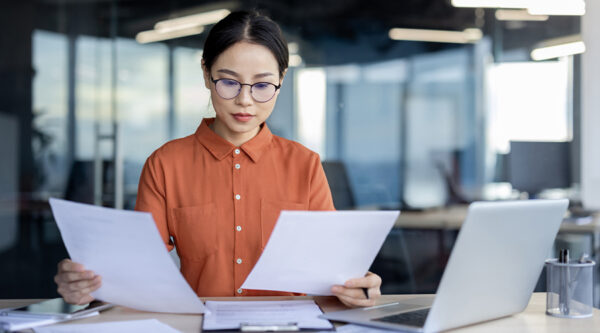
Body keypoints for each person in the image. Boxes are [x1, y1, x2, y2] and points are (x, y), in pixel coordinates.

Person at [54, 10, 382, 308]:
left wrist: (357, 287)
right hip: (196, 323)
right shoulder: (166, 164)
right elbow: (135, 271)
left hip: (287, 325)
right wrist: (88, 284)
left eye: (263, 85)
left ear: (281, 79)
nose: (245, 100)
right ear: (206, 73)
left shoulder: (306, 165)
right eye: (228, 82)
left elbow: (331, 271)